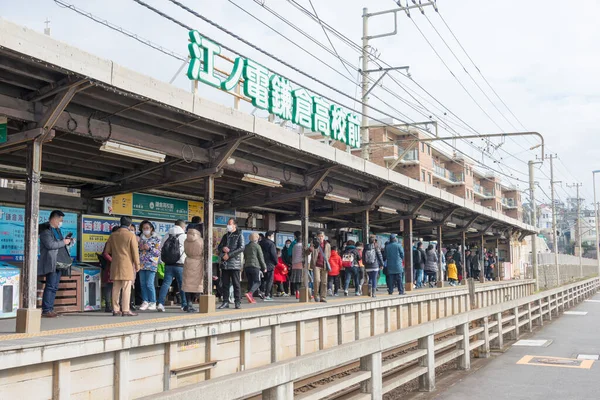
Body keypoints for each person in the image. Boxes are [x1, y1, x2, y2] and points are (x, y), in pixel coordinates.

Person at [38, 210, 75, 318]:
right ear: (54, 218)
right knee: (50, 286)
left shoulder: (57, 230)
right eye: (60, 220)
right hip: (51, 262)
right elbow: (50, 245)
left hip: (58, 262)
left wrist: (68, 241)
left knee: (53, 286)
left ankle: (50, 308)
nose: (61, 222)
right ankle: (46, 309)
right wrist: (63, 242)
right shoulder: (46, 231)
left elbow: (59, 243)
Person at [104, 216, 141, 317]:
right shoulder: (131, 235)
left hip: (115, 264)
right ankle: (125, 310)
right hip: (127, 264)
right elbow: (135, 252)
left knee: (116, 287)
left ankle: (116, 309)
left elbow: (107, 251)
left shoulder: (113, 235)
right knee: (126, 288)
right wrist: (137, 265)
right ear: (129, 225)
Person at [157, 220, 188, 312]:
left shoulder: (166, 235)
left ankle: (160, 303)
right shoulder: (184, 236)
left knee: (166, 283)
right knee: (182, 284)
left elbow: (161, 248)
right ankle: (184, 304)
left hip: (168, 264)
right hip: (180, 264)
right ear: (183, 227)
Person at [217, 218, 245, 309]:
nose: (228, 225)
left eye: (230, 224)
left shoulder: (239, 235)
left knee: (236, 283)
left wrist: (229, 255)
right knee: (225, 283)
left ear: (235, 225)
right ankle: (225, 301)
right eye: (227, 224)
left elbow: (241, 247)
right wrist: (223, 250)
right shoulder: (225, 236)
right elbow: (219, 247)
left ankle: (237, 302)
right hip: (225, 263)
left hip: (234, 263)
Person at [138, 221, 161, 311]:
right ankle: (145, 301)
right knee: (142, 284)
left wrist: (150, 248)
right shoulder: (141, 238)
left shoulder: (156, 239)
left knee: (149, 283)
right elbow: (138, 250)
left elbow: (158, 252)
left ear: (151, 229)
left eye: (147, 228)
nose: (145, 230)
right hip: (142, 263)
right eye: (144, 228)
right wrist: (140, 248)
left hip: (151, 263)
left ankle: (153, 302)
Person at [182, 225, 204, 313]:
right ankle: (191, 305)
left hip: (188, 261)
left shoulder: (186, 240)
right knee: (196, 285)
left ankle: (188, 304)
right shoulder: (201, 241)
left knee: (187, 285)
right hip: (198, 262)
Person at [100, 226, 120, 313]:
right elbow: (105, 253)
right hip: (110, 267)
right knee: (109, 286)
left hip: (118, 267)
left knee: (116, 287)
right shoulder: (110, 241)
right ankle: (108, 305)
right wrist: (113, 261)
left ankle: (116, 305)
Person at [243, 232, 267, 303]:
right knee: (257, 282)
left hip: (247, 266)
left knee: (250, 282)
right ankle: (250, 294)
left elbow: (245, 257)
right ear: (256, 238)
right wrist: (264, 267)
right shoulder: (257, 246)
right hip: (255, 266)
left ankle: (251, 298)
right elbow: (261, 257)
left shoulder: (246, 246)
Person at [309, 231, 331, 303]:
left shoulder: (327, 244)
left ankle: (323, 297)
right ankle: (316, 295)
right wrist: (310, 249)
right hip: (316, 265)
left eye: (322, 236)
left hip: (324, 265)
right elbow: (307, 252)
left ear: (324, 237)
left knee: (324, 282)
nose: (320, 237)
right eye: (319, 236)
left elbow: (329, 255)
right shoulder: (314, 243)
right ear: (317, 237)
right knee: (317, 280)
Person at [259, 230, 278, 301]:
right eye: (272, 236)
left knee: (263, 279)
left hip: (261, 264)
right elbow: (273, 254)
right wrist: (276, 262)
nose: (273, 237)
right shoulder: (271, 244)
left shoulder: (260, 243)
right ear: (269, 236)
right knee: (269, 280)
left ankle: (262, 292)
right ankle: (267, 295)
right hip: (270, 264)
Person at [289, 231, 304, 298]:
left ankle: (297, 291)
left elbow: (290, 254)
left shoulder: (294, 245)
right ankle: (301, 292)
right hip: (301, 264)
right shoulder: (302, 246)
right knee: (301, 279)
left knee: (295, 279)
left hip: (294, 264)